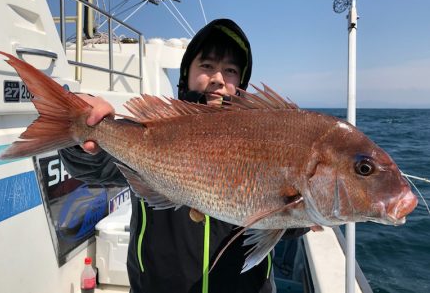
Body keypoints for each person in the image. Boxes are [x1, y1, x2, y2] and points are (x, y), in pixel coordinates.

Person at [59, 19, 308, 293]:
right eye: (207, 66)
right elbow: (94, 168)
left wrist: (306, 208)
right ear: (186, 73)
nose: (218, 78)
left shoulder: (265, 139)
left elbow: (291, 225)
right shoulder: (151, 131)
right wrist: (81, 134)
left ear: (241, 83)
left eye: (231, 70)